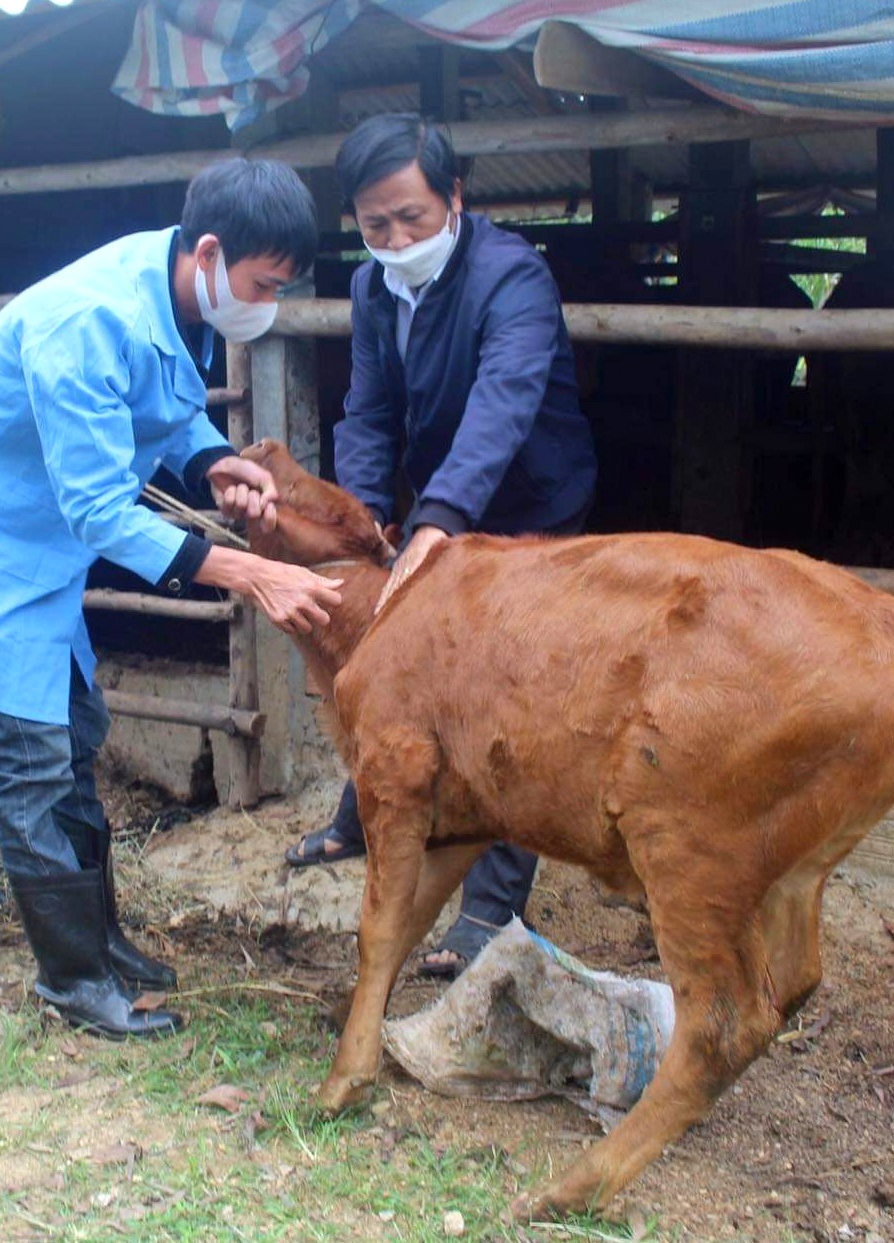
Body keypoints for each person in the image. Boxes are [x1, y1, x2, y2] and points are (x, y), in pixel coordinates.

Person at [0, 159, 343, 1041]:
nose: (268, 303)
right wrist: (251, 573)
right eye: (264, 284)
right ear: (210, 252)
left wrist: (213, 462)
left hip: (34, 548)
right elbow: (99, 511)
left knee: (79, 730)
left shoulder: (172, 293)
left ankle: (102, 939)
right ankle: (72, 979)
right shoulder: (91, 320)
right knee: (36, 758)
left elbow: (165, 413)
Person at [284, 114, 598, 979]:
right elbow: (370, 409)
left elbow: (504, 406)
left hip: (531, 508)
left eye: (412, 219)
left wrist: (437, 521)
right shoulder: (372, 287)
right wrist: (368, 521)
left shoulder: (514, 278)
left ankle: (490, 911)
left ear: (454, 199)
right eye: (374, 224)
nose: (395, 239)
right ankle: (361, 814)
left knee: (500, 702)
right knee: (388, 652)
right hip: (435, 503)